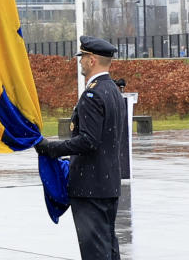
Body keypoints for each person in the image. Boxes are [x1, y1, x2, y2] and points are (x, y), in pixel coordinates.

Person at [35, 36, 126, 260]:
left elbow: (88, 141)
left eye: (83, 57)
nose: (80, 62)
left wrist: (51, 148)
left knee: (95, 253)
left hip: (90, 188)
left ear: (92, 60)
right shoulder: (113, 90)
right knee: (108, 250)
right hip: (107, 184)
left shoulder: (93, 95)